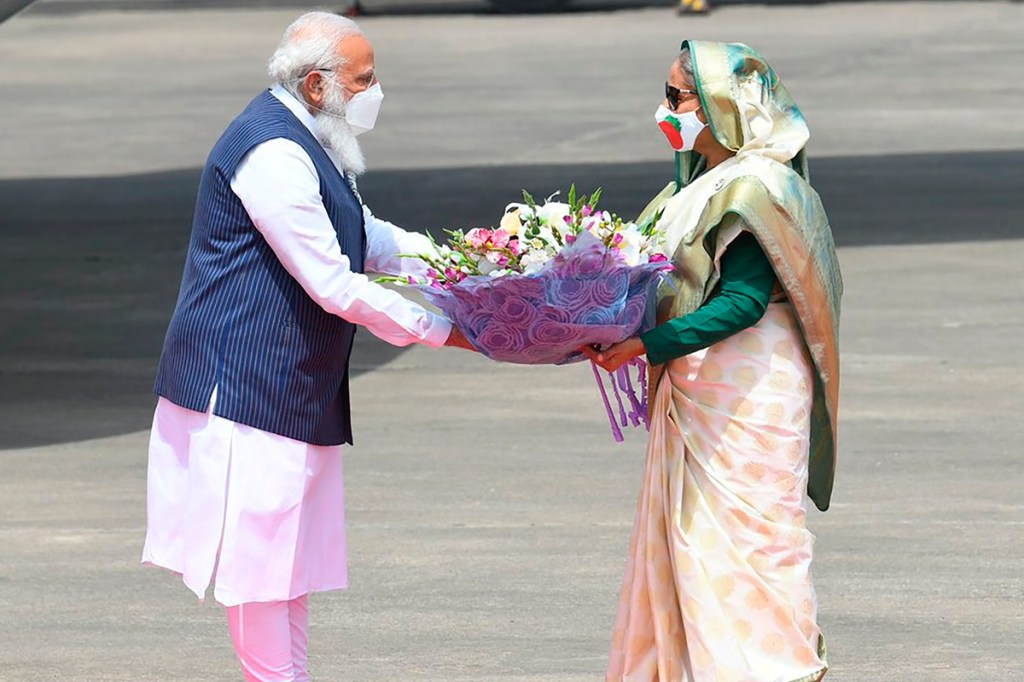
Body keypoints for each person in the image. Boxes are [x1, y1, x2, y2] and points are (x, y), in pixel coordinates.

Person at [142, 12, 473, 681]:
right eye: (365, 79)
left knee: (284, 565)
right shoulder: (273, 153)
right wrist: (449, 330)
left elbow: (366, 234)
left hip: (289, 386)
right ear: (318, 86)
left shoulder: (309, 134)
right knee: (258, 569)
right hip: (244, 392)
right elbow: (331, 280)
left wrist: (472, 265)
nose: (375, 91)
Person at [583, 40, 842, 681]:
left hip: (748, 390)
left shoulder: (757, 188)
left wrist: (644, 344)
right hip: (702, 384)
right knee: (694, 544)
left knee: (753, 541)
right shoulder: (699, 185)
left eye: (677, 97)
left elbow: (744, 303)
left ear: (722, 106)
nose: (666, 111)